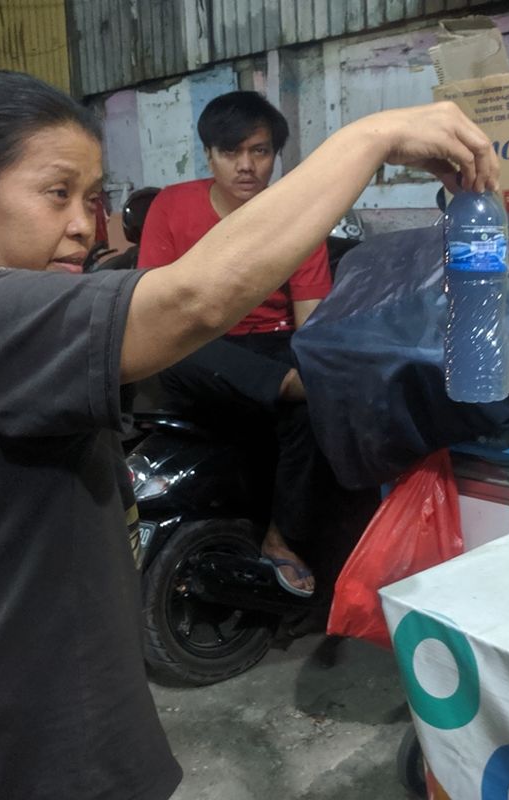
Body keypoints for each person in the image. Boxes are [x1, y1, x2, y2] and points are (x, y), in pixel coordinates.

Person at [0, 68, 496, 799]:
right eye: (56, 193)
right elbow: (195, 298)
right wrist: (375, 135)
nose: (85, 224)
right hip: (46, 747)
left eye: (93, 198)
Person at [137, 91, 328, 597]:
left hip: (273, 344)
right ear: (209, 156)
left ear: (274, 156)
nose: (246, 166)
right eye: (231, 153)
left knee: (317, 392)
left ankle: (282, 539)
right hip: (199, 345)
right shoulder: (172, 206)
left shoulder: (298, 217)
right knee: (179, 345)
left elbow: (310, 323)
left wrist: (320, 364)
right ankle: (291, 386)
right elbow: (156, 307)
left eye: (260, 152)